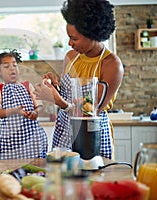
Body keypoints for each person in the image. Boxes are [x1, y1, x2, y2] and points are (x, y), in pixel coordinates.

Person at [33, 0, 124, 160]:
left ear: (93, 34)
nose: (69, 43)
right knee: (63, 179)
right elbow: (68, 94)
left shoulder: (112, 65)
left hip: (92, 133)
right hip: (64, 130)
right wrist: (55, 87)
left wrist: (57, 100)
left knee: (93, 178)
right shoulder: (71, 57)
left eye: (74, 39)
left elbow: (90, 112)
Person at [0, 48, 48, 160]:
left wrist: (35, 112)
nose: (12, 69)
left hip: (33, 141)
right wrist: (14, 111)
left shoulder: (27, 86)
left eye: (14, 65)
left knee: (34, 170)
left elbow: (39, 106)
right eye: (6, 66)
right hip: (10, 142)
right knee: (10, 171)